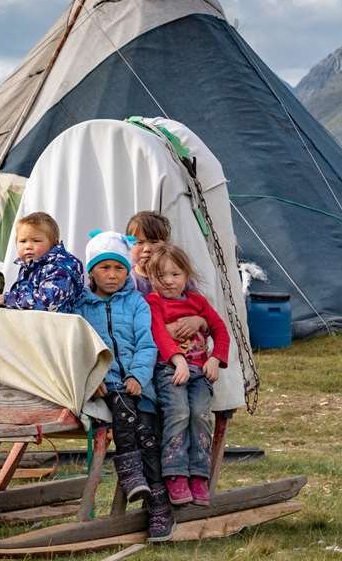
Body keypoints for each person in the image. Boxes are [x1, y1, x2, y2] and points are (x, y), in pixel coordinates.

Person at [76, 230, 174, 542]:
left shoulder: (136, 303)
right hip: (105, 387)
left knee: (147, 432)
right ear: (91, 270)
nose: (113, 275)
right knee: (129, 416)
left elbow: (147, 345)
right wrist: (94, 380)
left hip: (135, 385)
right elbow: (79, 348)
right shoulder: (80, 307)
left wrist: (137, 377)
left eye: (119, 268)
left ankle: (154, 500)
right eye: (105, 267)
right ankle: (144, 489)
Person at [144, 243, 230, 508]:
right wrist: (178, 360)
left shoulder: (198, 302)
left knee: (200, 415)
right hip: (170, 370)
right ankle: (175, 473)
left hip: (200, 372)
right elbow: (158, 333)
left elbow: (221, 331)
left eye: (175, 274)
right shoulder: (153, 302)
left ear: (186, 275)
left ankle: (199, 474)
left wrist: (216, 358)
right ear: (150, 278)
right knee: (178, 412)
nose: (169, 281)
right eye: (161, 276)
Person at [126, 210, 208, 344]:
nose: (146, 248)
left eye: (153, 242)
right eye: (139, 242)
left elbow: (207, 314)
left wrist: (198, 321)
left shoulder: (179, 278)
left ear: (166, 244)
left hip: (185, 352)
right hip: (145, 351)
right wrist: (160, 331)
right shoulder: (129, 281)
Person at [0, 212, 84, 313]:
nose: (28, 246)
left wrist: (10, 299)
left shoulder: (59, 269)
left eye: (36, 240)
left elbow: (47, 302)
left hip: (56, 326)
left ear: (53, 244)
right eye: (23, 241)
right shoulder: (28, 267)